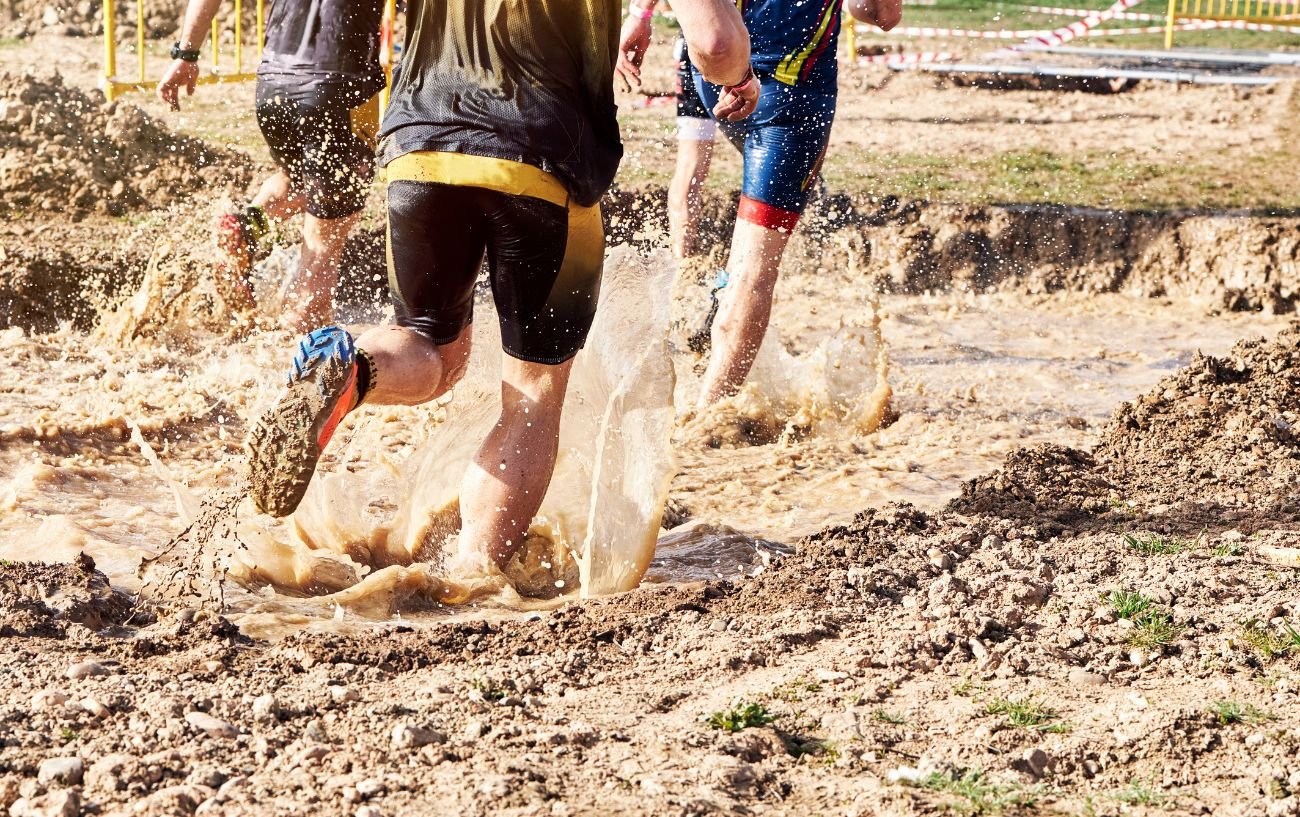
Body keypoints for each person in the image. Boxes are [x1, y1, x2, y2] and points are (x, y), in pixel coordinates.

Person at [244, 0, 758, 574]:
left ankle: (347, 365)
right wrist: (741, 80)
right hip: (543, 157)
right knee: (533, 397)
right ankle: (472, 579)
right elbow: (714, 42)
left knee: (429, 348)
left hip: (420, 146)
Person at [618, 0, 901, 404]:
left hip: (718, 77)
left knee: (708, 183)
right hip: (789, 99)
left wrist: (639, 16)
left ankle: (708, 291)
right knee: (755, 266)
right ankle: (711, 413)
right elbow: (881, 14)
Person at [157, 0, 386, 330]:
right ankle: (292, 350)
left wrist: (186, 55)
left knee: (296, 180)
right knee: (326, 240)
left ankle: (246, 225)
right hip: (338, 88)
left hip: (273, 86)